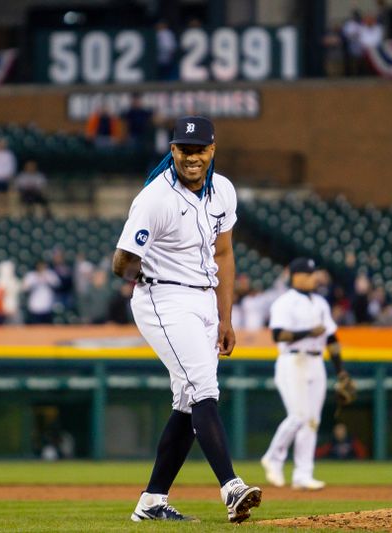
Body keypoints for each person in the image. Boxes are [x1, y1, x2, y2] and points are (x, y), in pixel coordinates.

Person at [112, 116, 261, 523]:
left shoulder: (223, 191)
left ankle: (151, 501)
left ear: (212, 150)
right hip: (163, 296)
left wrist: (225, 317)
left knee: (186, 402)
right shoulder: (154, 197)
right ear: (173, 151)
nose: (191, 156)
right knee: (204, 389)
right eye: (184, 149)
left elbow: (225, 254)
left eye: (199, 149)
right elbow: (121, 261)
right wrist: (137, 276)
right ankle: (231, 487)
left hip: (203, 301)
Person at [260, 257, 350, 490]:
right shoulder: (284, 302)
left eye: (314, 273)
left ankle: (303, 474)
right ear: (296, 275)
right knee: (298, 416)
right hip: (293, 360)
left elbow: (331, 338)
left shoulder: (320, 302)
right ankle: (273, 458)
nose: (314, 277)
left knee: (312, 420)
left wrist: (340, 371)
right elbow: (278, 335)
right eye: (309, 274)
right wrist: (310, 331)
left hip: (316, 362)